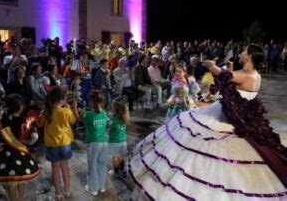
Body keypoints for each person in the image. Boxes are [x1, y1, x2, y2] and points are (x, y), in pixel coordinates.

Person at [128, 44, 287, 200]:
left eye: (245, 51)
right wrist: (227, 69)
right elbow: (232, 80)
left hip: (232, 119)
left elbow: (224, 76)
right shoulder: (248, 73)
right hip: (229, 112)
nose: (241, 52)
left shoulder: (250, 75)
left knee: (201, 140)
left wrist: (212, 66)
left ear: (249, 56)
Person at [0, 94, 41, 201]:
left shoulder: (1, 120)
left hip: (6, 155)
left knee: (11, 181)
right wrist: (27, 142)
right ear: (21, 107)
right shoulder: (25, 122)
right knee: (22, 177)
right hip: (21, 153)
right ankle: (20, 198)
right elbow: (35, 137)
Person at [38, 86, 80, 200]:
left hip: (52, 144)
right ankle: (67, 191)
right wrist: (70, 108)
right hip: (65, 143)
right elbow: (73, 121)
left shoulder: (46, 112)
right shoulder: (66, 111)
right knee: (65, 167)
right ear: (61, 99)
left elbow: (40, 124)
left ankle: (58, 193)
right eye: (65, 98)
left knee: (55, 168)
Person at [81, 90, 108, 196]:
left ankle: (93, 188)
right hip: (104, 143)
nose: (88, 102)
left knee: (92, 165)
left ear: (92, 101)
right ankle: (101, 186)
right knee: (101, 165)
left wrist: (74, 108)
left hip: (93, 144)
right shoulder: (104, 113)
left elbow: (79, 119)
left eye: (89, 100)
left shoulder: (89, 114)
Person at [107, 99, 129, 176]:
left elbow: (108, 125)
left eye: (112, 107)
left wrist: (108, 119)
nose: (111, 108)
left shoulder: (114, 119)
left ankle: (115, 170)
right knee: (121, 155)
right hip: (123, 141)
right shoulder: (125, 118)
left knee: (115, 156)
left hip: (114, 141)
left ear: (116, 110)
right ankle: (123, 169)